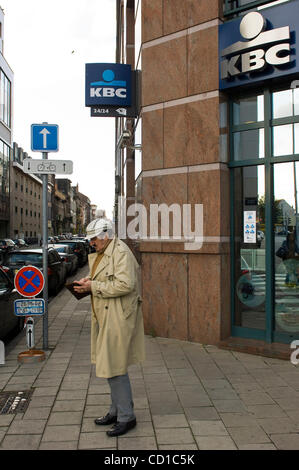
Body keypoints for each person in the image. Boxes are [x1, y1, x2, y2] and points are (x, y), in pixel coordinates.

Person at [73, 218, 145, 437]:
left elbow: (125, 284)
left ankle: (126, 417)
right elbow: (105, 276)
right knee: (110, 366)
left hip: (118, 317)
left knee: (114, 368)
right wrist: (88, 282)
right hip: (107, 315)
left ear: (105, 235)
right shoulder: (108, 251)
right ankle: (116, 411)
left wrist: (93, 286)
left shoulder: (120, 252)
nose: (92, 243)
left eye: (94, 238)